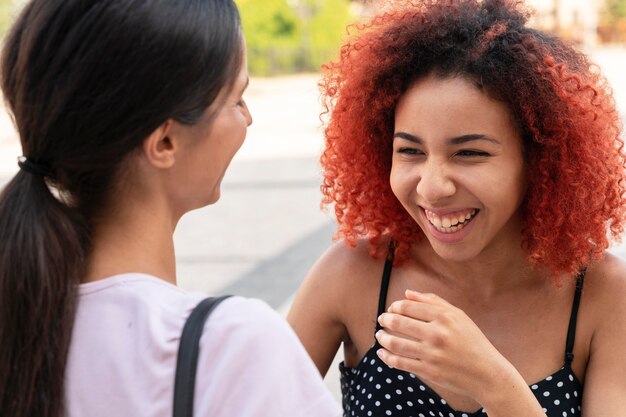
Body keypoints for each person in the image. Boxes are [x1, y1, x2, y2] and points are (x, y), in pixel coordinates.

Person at [0, 1, 341, 417]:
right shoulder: (228, 346)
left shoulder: (21, 320)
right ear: (164, 142)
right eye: (236, 99)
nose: (248, 119)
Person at [287, 0, 626, 416]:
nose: (432, 186)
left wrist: (495, 384)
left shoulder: (603, 294)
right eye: (410, 150)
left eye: (469, 153)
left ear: (540, 160)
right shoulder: (353, 274)